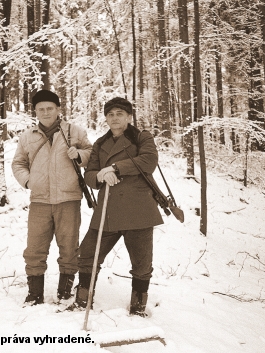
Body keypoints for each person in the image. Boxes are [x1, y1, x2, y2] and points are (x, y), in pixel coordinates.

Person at [69, 97, 163, 317]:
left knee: (141, 263)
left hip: (138, 210)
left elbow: (149, 161)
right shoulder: (101, 143)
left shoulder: (141, 137)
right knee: (87, 255)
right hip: (108, 211)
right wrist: (100, 176)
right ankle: (83, 300)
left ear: (129, 117)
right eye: (110, 114)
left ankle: (138, 307)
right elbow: (90, 176)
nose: (114, 118)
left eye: (119, 114)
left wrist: (115, 168)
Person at [12, 89, 93, 306]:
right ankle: (34, 294)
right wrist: (28, 181)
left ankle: (65, 292)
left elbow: (92, 154)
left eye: (50, 108)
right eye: (41, 109)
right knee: (34, 248)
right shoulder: (27, 137)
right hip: (39, 200)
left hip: (68, 198)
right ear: (35, 112)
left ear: (58, 109)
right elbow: (18, 163)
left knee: (69, 246)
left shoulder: (74, 132)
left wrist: (81, 155)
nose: (46, 112)